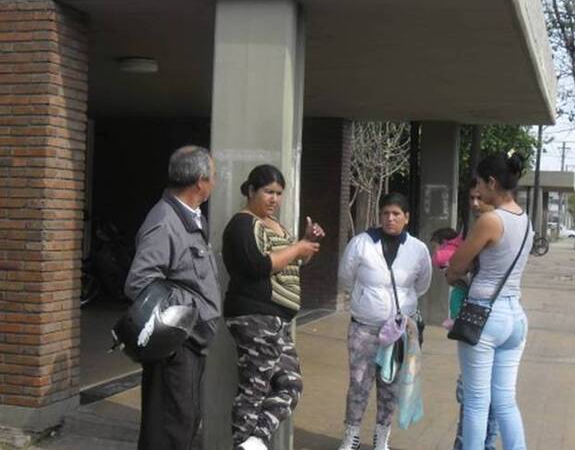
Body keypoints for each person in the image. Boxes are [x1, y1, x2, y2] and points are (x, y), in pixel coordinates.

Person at [124, 145, 221, 450]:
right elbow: (139, 282)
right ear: (200, 181)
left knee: (185, 420)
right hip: (176, 344)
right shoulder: (165, 221)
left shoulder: (190, 217)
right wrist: (188, 314)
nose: (216, 182)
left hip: (191, 342)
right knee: (170, 428)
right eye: (214, 176)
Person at [222, 164, 325, 450]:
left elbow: (293, 263)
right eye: (268, 192)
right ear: (251, 190)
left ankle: (255, 440)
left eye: (279, 193)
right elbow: (257, 265)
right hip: (254, 315)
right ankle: (244, 443)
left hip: (277, 318)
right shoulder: (242, 224)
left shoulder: (276, 225)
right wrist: (298, 247)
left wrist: (307, 244)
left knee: (291, 384)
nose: (274, 199)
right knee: (254, 389)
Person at [447, 152, 533, 450]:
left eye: (481, 184)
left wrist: (455, 271)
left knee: (476, 402)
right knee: (505, 401)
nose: (478, 191)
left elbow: (456, 266)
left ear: (492, 182)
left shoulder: (491, 220)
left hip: (485, 317)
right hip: (515, 318)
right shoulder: (525, 219)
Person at [337, 192, 432, 450]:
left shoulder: (418, 249)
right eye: (385, 213)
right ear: (379, 216)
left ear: (406, 218)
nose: (390, 218)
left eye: (396, 214)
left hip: (399, 331)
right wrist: (365, 298)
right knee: (359, 382)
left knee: (390, 386)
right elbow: (345, 278)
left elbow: (422, 285)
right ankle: (351, 435)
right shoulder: (361, 243)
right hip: (364, 327)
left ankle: (382, 438)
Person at [430, 181, 498, 450]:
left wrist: (457, 273)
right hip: (473, 318)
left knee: (478, 392)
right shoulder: (474, 230)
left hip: (488, 319)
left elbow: (458, 272)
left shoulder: (496, 229)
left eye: (480, 198)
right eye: (471, 198)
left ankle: (478, 445)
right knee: (478, 392)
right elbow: (454, 274)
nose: (475, 204)